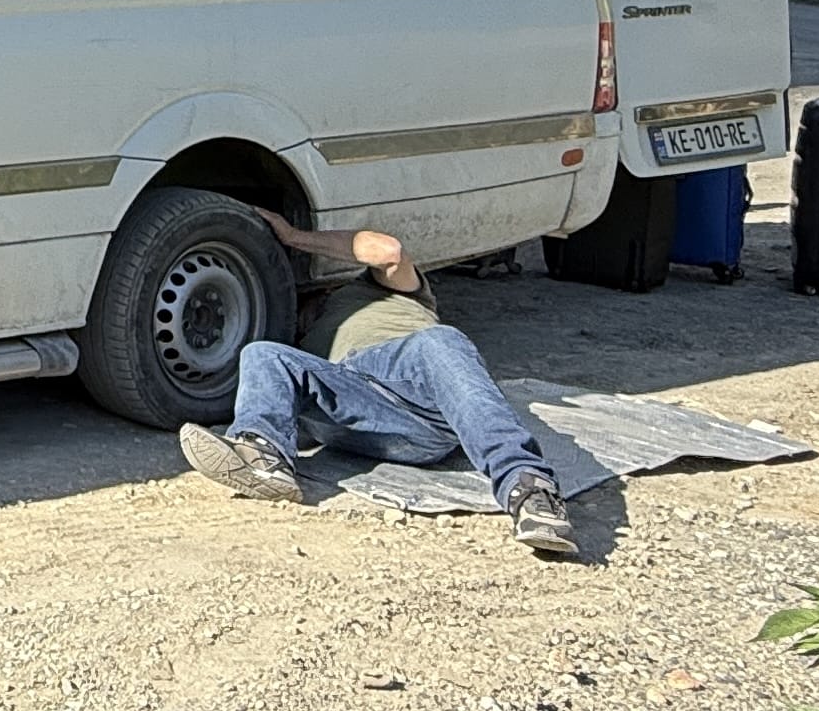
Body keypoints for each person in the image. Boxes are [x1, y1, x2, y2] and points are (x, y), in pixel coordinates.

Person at [175, 208, 578, 556]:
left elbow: (388, 251)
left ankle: (529, 488)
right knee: (261, 354)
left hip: (420, 396)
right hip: (360, 413)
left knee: (440, 342)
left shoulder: (385, 291)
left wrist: (294, 236)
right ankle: (264, 459)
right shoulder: (303, 344)